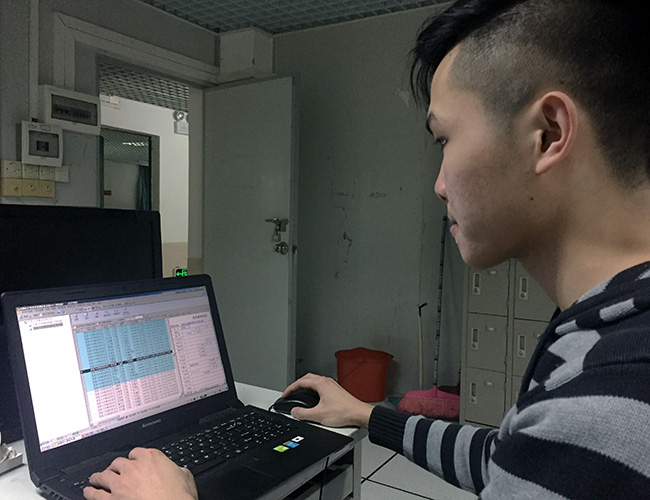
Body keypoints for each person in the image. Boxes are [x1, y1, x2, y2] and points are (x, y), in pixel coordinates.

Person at [84, 0, 650, 498]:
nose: (439, 184)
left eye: (444, 139)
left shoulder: (608, 402)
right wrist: (367, 414)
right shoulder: (605, 342)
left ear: (548, 133)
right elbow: (510, 461)